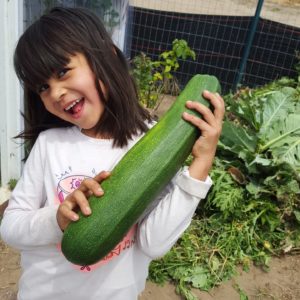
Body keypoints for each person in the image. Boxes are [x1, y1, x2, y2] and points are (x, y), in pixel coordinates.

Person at [0, 6, 225, 300]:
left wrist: (200, 166)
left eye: (62, 71)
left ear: (104, 55)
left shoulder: (154, 146)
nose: (55, 93)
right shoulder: (50, 144)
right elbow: (11, 227)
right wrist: (57, 219)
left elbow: (153, 243)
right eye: (43, 86)